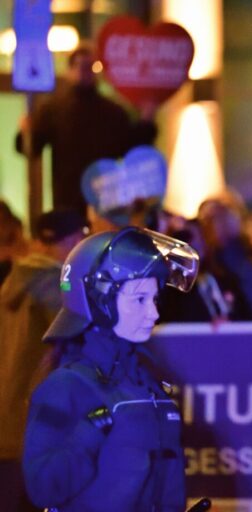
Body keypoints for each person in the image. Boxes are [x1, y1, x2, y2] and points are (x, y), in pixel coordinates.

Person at [22, 227, 199, 511]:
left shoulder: (147, 385)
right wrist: (86, 436)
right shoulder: (65, 386)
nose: (153, 313)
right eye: (140, 299)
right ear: (99, 300)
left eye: (154, 299)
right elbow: (42, 488)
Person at [0, 210, 88, 511]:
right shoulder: (55, 284)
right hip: (36, 424)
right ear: (75, 239)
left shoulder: (15, 280)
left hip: (9, 422)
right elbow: (78, 339)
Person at [16, 44, 158, 215]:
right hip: (68, 199)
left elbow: (130, 148)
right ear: (69, 70)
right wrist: (25, 132)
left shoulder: (113, 112)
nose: (84, 72)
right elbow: (32, 148)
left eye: (89, 66)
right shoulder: (53, 110)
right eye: (79, 66)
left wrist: (146, 122)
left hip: (104, 197)